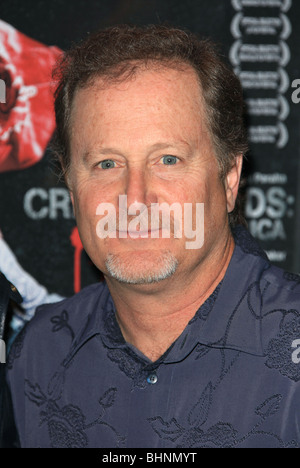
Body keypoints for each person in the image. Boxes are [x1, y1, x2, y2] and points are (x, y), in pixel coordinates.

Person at [4, 25, 300, 448]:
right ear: (72, 188)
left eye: (168, 159)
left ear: (230, 178)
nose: (135, 199)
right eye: (107, 164)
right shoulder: (37, 353)